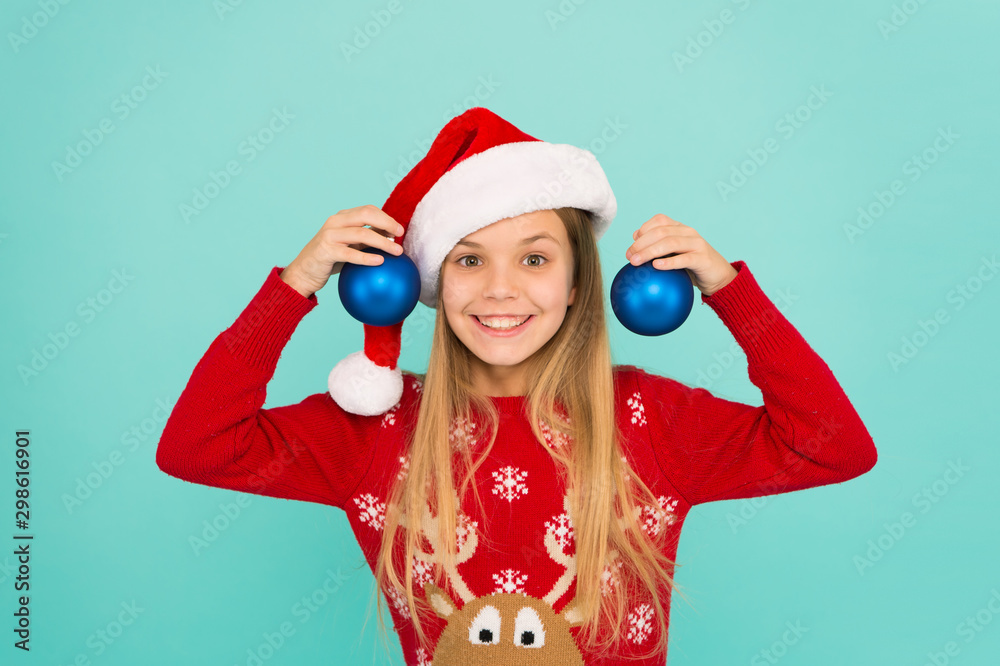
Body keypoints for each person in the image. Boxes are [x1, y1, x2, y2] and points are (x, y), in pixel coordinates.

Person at [156, 107, 877, 665]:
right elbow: (196, 447)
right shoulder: (371, 430)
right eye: (469, 261)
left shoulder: (652, 420)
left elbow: (833, 447)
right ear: (427, 284)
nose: (501, 290)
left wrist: (728, 293)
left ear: (575, 284)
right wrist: (296, 285)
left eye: (534, 258)